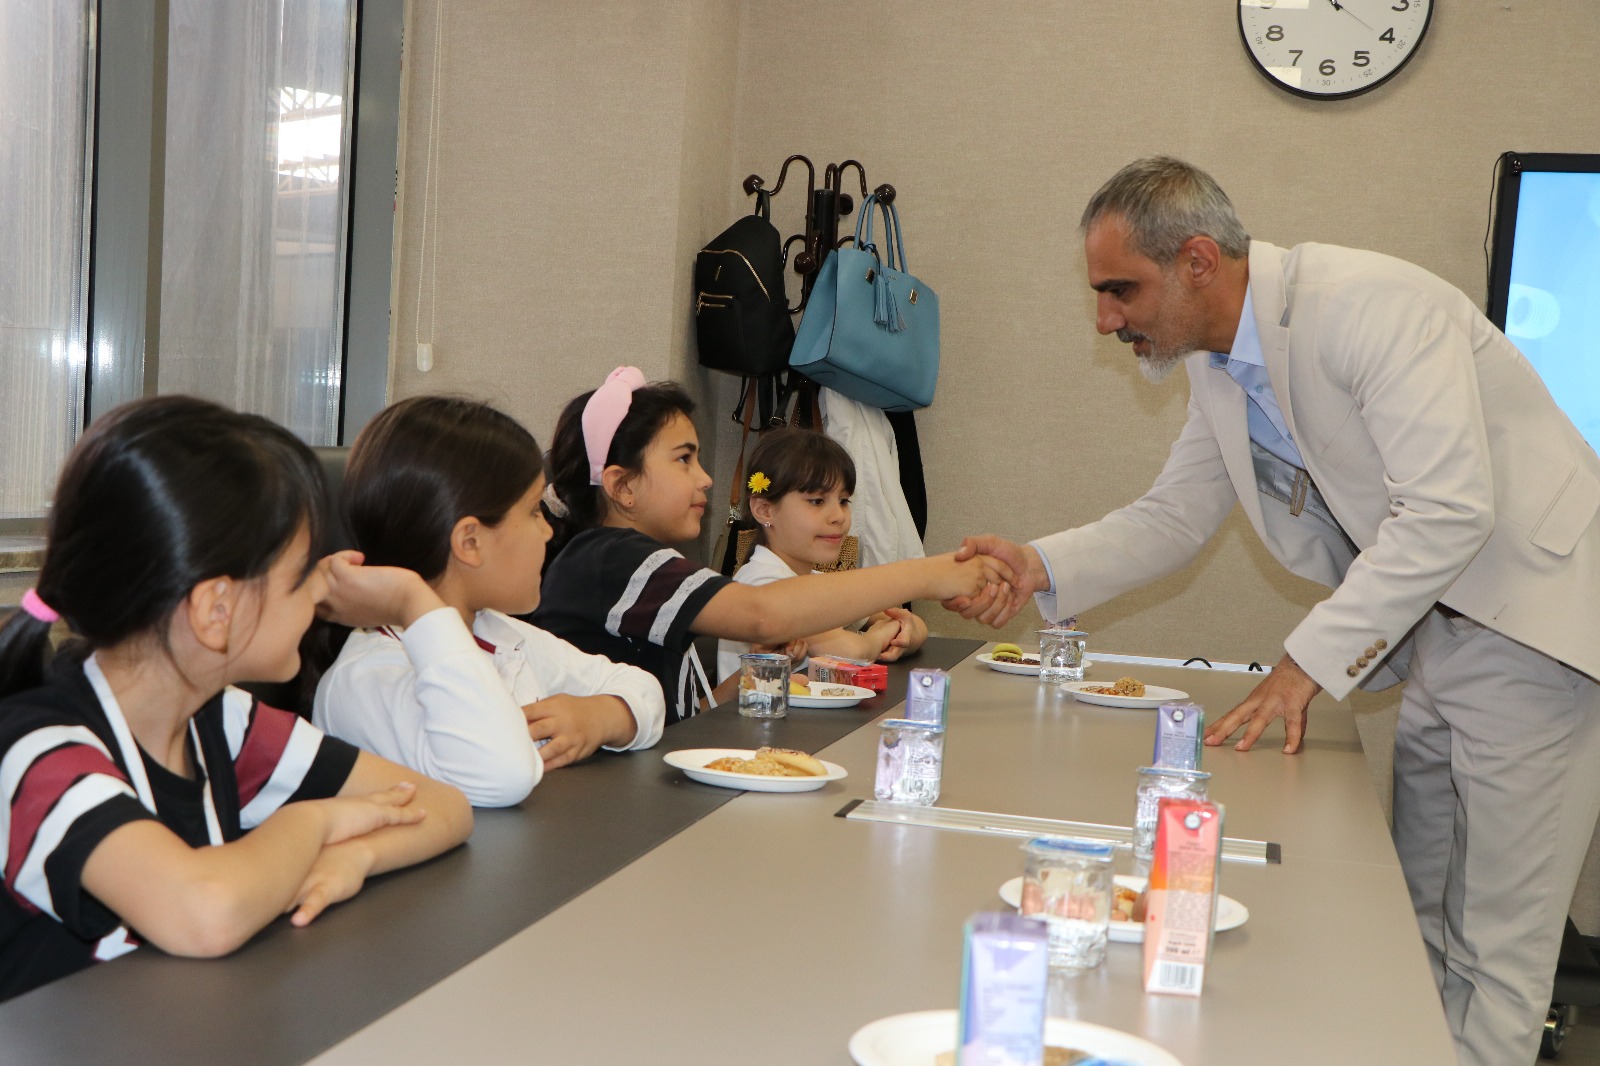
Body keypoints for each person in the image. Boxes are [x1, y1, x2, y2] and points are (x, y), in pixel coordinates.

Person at [949, 156, 1600, 1066]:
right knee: (1410, 925)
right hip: (1436, 638)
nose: (1107, 319)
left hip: (1532, 634)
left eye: (1119, 290)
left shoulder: (1370, 305)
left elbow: (1450, 509)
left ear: (1200, 262)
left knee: (1498, 957)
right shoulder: (1221, 368)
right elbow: (1172, 518)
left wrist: (1303, 669)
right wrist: (1038, 565)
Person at [0, 396, 473, 1002]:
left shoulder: (218, 718)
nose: (319, 599)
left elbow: (441, 806)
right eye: (303, 576)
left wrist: (355, 858)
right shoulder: (36, 750)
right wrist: (315, 823)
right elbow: (206, 912)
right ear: (216, 611)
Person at [531, 367, 1008, 723]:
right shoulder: (607, 557)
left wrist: (753, 677)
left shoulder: (644, 563)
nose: (705, 479)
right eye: (684, 460)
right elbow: (763, 612)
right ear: (623, 486)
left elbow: (683, 714)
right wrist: (929, 573)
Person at [311, 396, 665, 808]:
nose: (548, 531)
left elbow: (642, 687)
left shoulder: (497, 632)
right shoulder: (369, 679)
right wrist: (413, 601)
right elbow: (505, 777)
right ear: (470, 542)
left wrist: (604, 716)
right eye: (534, 511)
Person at [714, 428, 927, 682]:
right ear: (764, 510)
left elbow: (912, 623)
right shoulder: (764, 584)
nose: (838, 516)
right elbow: (852, 654)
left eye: (844, 500)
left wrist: (905, 629)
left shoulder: (814, 581)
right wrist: (882, 634)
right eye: (817, 501)